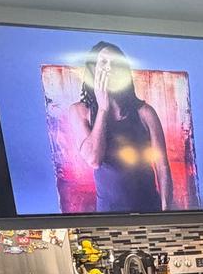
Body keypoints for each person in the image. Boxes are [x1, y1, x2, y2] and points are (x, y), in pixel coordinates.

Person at [67, 42, 173, 212]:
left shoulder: (145, 112)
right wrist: (103, 108)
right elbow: (94, 160)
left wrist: (166, 213)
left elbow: (162, 166)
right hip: (110, 214)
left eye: (115, 63)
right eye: (103, 63)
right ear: (93, 69)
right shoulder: (79, 111)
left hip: (149, 209)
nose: (109, 68)